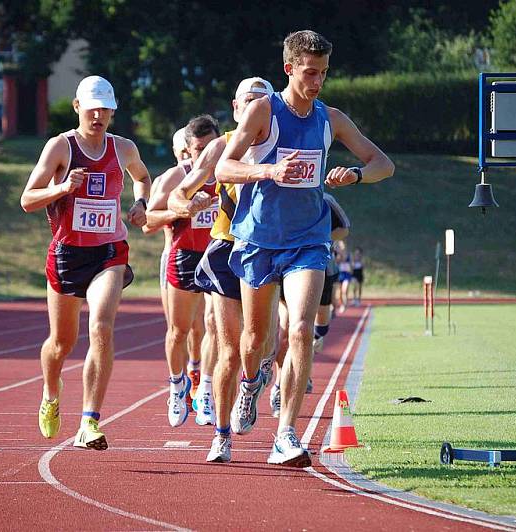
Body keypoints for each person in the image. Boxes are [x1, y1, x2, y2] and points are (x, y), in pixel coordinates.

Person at [216, 30, 394, 467]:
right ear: (289, 68)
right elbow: (224, 165)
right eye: (310, 72)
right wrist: (269, 170)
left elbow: (383, 165)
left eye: (324, 74)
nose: (316, 82)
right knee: (255, 339)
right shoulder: (263, 111)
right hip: (258, 239)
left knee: (299, 330)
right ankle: (251, 382)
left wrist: (352, 175)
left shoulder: (330, 118)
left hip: (309, 240)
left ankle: (286, 434)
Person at [21, 75, 150, 450]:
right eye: (92, 108)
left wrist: (140, 203)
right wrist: (62, 188)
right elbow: (28, 199)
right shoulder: (60, 147)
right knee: (61, 343)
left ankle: (90, 421)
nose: (98, 115)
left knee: (101, 327)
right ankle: (50, 392)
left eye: (105, 109)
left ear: (112, 111)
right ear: (78, 107)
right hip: (67, 254)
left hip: (109, 252)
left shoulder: (123, 147)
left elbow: (142, 176)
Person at [168, 77, 276, 462]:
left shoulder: (283, 140)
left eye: (260, 102)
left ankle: (253, 385)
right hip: (227, 248)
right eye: (247, 102)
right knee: (228, 347)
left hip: (269, 249)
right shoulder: (220, 145)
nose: (253, 108)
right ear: (235, 107)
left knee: (264, 344)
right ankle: (222, 434)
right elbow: (184, 189)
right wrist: (187, 201)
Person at [144, 115, 220, 427]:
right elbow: (149, 221)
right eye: (199, 149)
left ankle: (204, 388)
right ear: (188, 150)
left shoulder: (230, 170)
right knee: (179, 330)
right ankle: (177, 387)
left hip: (218, 254)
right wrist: (183, 208)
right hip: (184, 255)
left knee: (213, 326)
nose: (206, 155)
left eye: (211, 147)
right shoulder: (176, 177)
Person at [270, 193, 350, 417]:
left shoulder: (325, 199)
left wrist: (319, 235)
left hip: (322, 266)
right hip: (288, 267)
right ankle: (279, 387)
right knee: (287, 331)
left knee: (317, 330)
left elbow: (344, 228)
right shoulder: (279, 195)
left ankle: (304, 359)